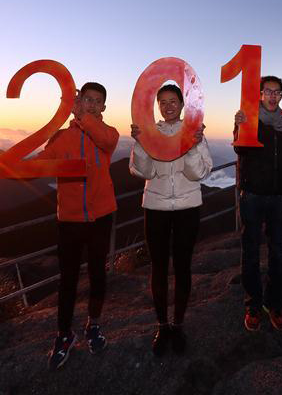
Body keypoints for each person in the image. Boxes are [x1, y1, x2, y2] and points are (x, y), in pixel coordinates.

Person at [38, 82, 120, 370]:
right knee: (68, 280)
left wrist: (82, 117)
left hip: (101, 217)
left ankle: (92, 325)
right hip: (70, 220)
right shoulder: (63, 138)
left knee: (98, 275)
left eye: (98, 101)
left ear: (103, 108)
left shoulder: (108, 134)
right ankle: (64, 335)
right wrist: (8, 168)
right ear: (79, 101)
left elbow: (106, 142)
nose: (92, 104)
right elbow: (42, 165)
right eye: (87, 99)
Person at [129, 83, 212, 355]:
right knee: (159, 268)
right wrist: (141, 144)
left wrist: (191, 145)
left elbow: (199, 173)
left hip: (188, 207)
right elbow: (143, 170)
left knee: (184, 266)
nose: (167, 106)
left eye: (173, 100)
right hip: (155, 208)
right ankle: (162, 326)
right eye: (162, 102)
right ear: (158, 106)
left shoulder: (196, 133)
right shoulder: (150, 132)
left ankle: (178, 325)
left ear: (182, 103)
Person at [233, 75, 282, 332]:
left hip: (278, 196)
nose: (272, 96)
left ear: (281, 96)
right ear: (259, 95)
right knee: (250, 252)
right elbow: (240, 151)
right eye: (268, 91)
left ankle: (275, 303)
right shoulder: (249, 120)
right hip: (252, 195)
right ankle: (253, 304)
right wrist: (238, 127)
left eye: (277, 92)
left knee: (278, 252)